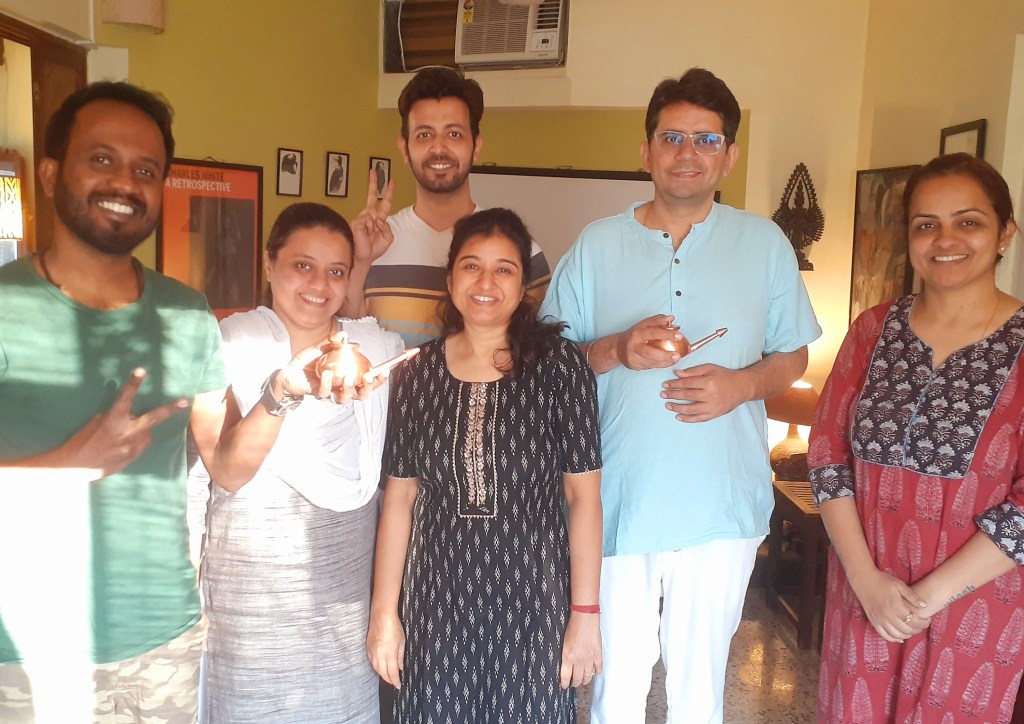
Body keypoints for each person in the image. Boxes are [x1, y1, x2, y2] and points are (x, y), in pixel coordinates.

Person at [540, 67, 820, 723]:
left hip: (720, 506)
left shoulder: (765, 244)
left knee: (699, 693)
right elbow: (547, 363)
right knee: (616, 691)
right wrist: (616, 349)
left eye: (706, 139)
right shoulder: (596, 245)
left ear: (730, 155)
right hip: (616, 501)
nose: (687, 153)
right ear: (646, 150)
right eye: (672, 137)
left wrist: (741, 385)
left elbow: (794, 355)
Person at [0, 82, 222, 724]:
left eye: (146, 170)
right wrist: (70, 465)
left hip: (163, 640)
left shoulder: (188, 313)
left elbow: (228, 463)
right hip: (32, 650)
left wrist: (288, 391)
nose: (125, 182)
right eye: (102, 159)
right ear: (51, 174)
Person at [809, 153, 1024, 723]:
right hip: (867, 593)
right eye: (926, 224)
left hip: (976, 604)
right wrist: (866, 581)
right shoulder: (872, 329)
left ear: (1005, 233)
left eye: (968, 222)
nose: (945, 240)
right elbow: (827, 455)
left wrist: (929, 597)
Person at [367, 208, 602, 722]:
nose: (486, 282)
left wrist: (585, 615)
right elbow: (399, 500)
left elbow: (583, 498)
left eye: (504, 269)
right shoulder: (417, 374)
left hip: (534, 604)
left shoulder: (562, 368)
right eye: (472, 266)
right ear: (450, 278)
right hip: (435, 603)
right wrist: (385, 614)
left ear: (523, 285)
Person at [200, 203, 402, 722]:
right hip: (250, 605)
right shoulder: (228, 345)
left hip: (341, 604)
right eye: (303, 265)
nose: (319, 284)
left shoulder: (376, 350)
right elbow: (221, 474)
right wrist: (281, 392)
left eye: (336, 271)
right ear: (269, 264)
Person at [342, 66, 550, 347]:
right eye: (424, 135)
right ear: (404, 148)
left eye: (454, 134)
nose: (439, 148)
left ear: (476, 146)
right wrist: (360, 262)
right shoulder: (371, 245)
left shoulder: (519, 252)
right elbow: (349, 339)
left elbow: (538, 348)